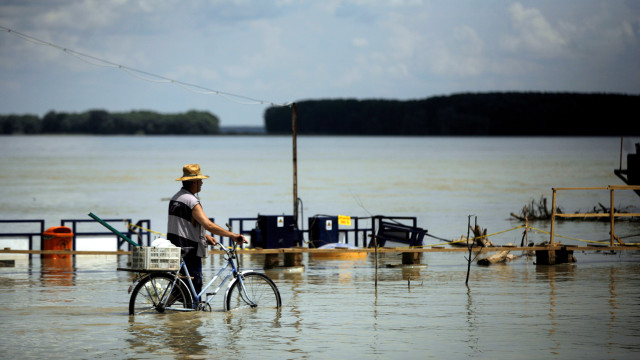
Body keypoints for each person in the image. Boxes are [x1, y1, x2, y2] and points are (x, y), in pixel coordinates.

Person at [167, 164, 246, 294]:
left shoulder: (175, 198)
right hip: (189, 250)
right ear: (194, 182)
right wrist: (233, 235)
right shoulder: (192, 201)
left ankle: (174, 312)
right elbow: (208, 225)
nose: (202, 183)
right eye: (200, 180)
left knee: (182, 288)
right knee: (195, 289)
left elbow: (184, 224)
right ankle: (194, 313)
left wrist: (205, 236)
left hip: (175, 247)